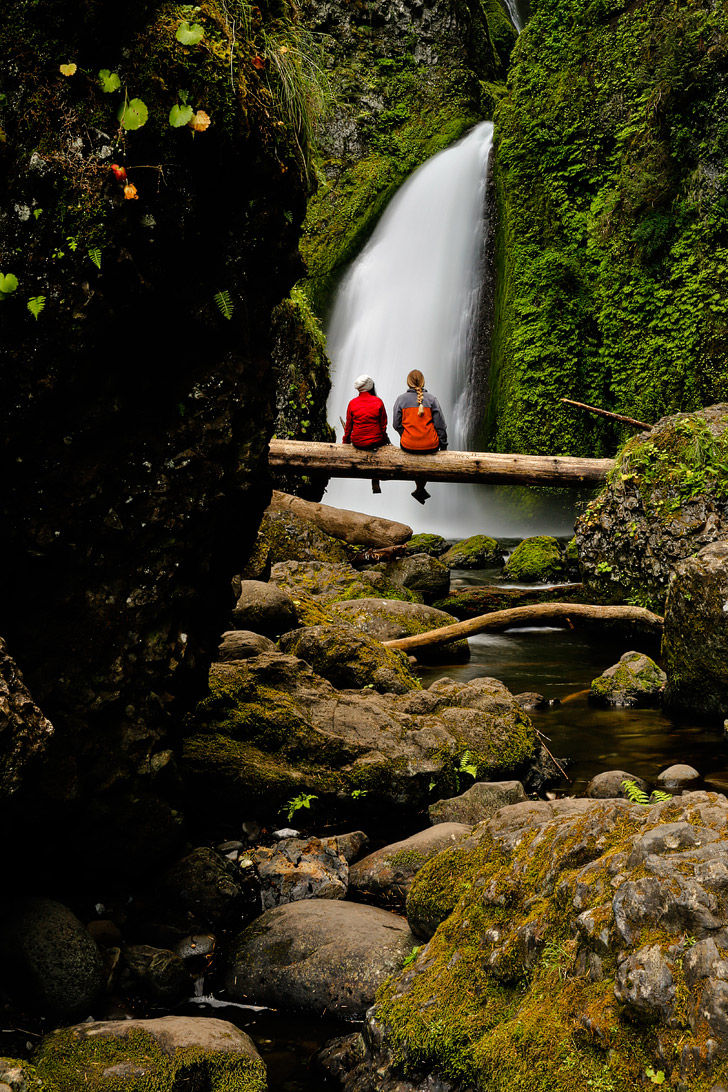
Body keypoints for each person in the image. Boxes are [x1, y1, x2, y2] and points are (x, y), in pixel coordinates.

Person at [392, 369, 448, 503]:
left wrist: (405, 434)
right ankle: (420, 488)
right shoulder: (432, 399)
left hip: (408, 445)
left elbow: (396, 424)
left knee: (416, 454)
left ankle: (419, 488)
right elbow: (440, 425)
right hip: (431, 445)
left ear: (408, 382)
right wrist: (443, 445)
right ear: (423, 382)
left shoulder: (400, 400)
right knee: (424, 456)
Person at [342, 374, 390, 493]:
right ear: (370, 387)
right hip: (376, 441)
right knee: (377, 449)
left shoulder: (352, 403)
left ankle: (374, 480)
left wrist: (345, 441)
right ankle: (375, 480)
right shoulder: (378, 402)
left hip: (358, 442)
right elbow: (383, 425)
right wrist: (384, 440)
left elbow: (348, 426)